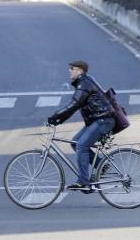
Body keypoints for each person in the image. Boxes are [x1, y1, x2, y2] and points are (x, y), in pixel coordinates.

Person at [47, 61, 115, 191]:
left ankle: (83, 181)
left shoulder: (84, 84)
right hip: (98, 120)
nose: (69, 71)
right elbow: (74, 107)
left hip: (103, 120)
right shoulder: (83, 83)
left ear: (80, 71)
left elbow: (73, 104)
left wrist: (54, 117)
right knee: (75, 142)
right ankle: (102, 165)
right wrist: (58, 120)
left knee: (81, 146)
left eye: (72, 68)